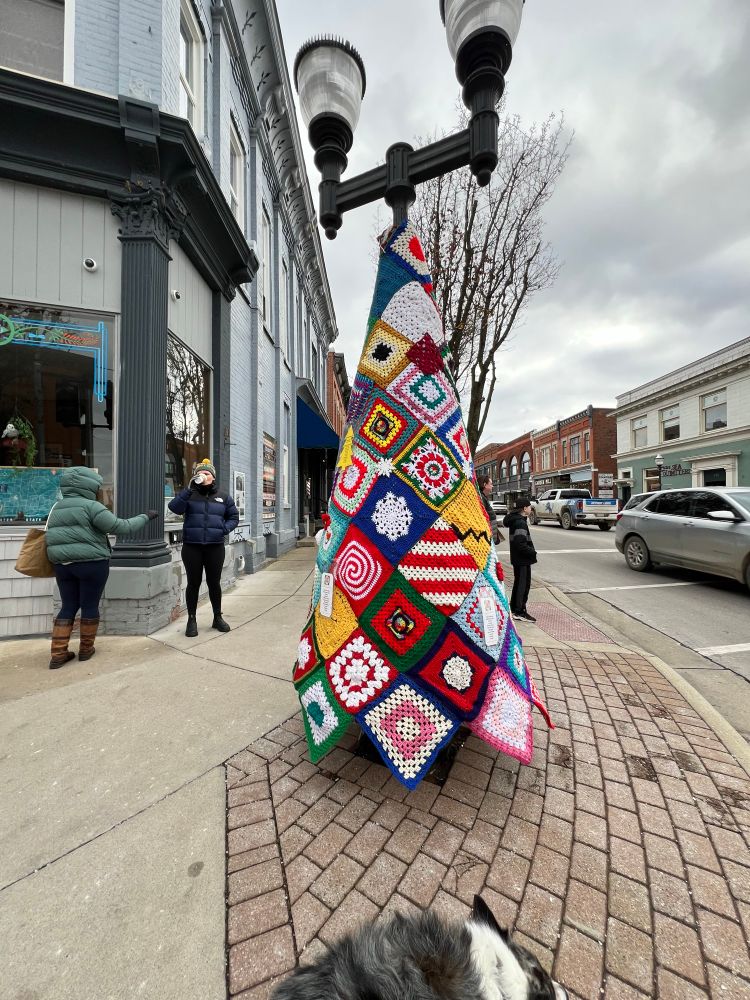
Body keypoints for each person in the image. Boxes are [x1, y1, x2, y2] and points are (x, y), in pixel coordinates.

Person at [45, 467, 157, 669]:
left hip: (62, 566)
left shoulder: (56, 507)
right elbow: (121, 527)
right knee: (89, 605)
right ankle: (86, 650)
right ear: (87, 485)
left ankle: (58, 653)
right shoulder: (92, 507)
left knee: (68, 605)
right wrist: (146, 517)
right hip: (91, 564)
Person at [168, 459, 239, 637]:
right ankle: (192, 620)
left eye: (207, 473)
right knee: (193, 583)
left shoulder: (224, 497)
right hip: (192, 547)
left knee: (214, 583)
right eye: (200, 473)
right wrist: (188, 489)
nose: (203, 476)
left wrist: (224, 529)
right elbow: (174, 508)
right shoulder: (189, 494)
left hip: (215, 547)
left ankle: (217, 617)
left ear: (213, 477)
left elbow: (234, 517)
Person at [503, 496, 537, 622]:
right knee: (523, 585)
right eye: (529, 506)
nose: (530, 508)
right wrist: (532, 552)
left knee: (519, 584)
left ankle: (516, 608)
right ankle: (519, 611)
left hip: (519, 558)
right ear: (524, 508)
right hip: (522, 559)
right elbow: (520, 543)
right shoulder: (520, 522)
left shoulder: (516, 520)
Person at [478, 474, 504, 544]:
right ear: (485, 485)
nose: (492, 486)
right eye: (491, 484)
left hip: (488, 536)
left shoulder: (483, 497)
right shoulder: (481, 498)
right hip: (486, 538)